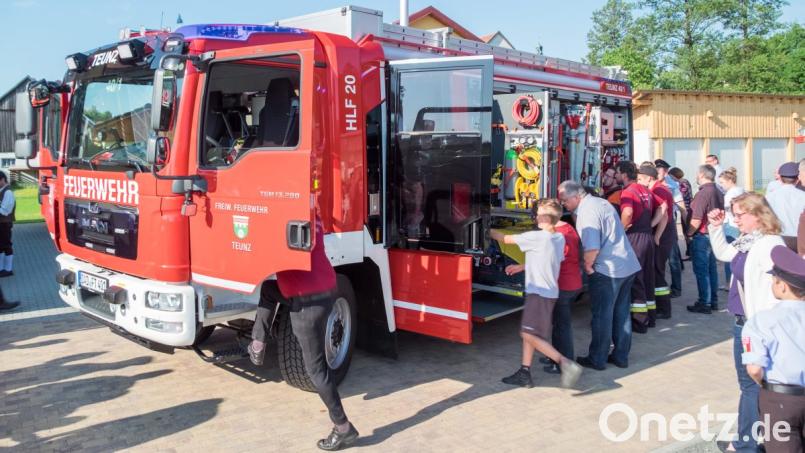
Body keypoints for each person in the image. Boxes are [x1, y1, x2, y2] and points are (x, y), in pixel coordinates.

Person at [248, 214, 359, 451]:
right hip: (327, 288)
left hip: (307, 301)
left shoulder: (280, 221)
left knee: (317, 370)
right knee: (269, 290)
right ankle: (258, 341)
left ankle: (343, 428)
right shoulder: (310, 214)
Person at [707, 193, 784, 453]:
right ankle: (749, 439)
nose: (735, 219)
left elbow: (781, 290)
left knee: (751, 387)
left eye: (739, 215)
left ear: (757, 215)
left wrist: (763, 327)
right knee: (750, 386)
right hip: (744, 324)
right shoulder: (749, 240)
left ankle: (745, 444)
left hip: (756, 326)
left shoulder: (771, 245)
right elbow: (724, 253)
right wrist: (716, 227)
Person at [491, 199, 583, 389]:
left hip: (538, 292)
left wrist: (484, 227)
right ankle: (525, 372)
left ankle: (566, 363)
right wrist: (522, 266)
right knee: (531, 332)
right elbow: (546, 259)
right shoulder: (558, 238)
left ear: (545, 218)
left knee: (528, 334)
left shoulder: (537, 237)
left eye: (538, 213)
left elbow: (505, 239)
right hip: (548, 291)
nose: (535, 216)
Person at [558, 180, 640, 370]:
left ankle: (598, 358)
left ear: (576, 196)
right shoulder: (601, 202)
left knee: (602, 315)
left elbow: (592, 248)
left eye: (564, 201)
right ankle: (620, 356)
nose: (563, 205)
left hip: (608, 270)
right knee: (621, 313)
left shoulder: (587, 212)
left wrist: (587, 267)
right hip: (626, 264)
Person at [741, 245, 805, 453]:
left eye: (773, 281)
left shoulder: (760, 322)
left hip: (781, 398)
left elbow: (754, 369)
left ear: (783, 286)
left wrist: (765, 385)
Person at [616, 161, 664, 333]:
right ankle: (650, 318)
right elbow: (663, 208)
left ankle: (639, 322)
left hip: (635, 237)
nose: (615, 176)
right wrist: (651, 225)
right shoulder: (646, 190)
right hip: (647, 237)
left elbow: (628, 213)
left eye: (617, 173)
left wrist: (619, 231)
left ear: (623, 174)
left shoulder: (628, 191)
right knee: (648, 278)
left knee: (636, 279)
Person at [538, 200, 583, 375]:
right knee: (558, 324)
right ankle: (553, 356)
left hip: (562, 286)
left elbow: (551, 260)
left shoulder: (558, 235)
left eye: (540, 215)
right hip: (571, 282)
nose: (538, 219)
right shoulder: (568, 228)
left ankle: (563, 363)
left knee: (561, 326)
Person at [637, 165, 675, 320]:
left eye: (640, 179)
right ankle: (661, 307)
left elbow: (663, 211)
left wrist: (654, 232)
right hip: (663, 233)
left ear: (649, 178)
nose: (638, 182)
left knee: (658, 271)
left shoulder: (657, 190)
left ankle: (664, 308)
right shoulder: (657, 188)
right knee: (657, 270)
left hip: (663, 234)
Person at [686, 165, 724, 314]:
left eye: (697, 173)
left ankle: (705, 302)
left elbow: (696, 219)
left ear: (701, 175)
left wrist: (689, 234)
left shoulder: (703, 194)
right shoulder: (717, 191)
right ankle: (712, 300)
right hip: (713, 234)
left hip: (702, 235)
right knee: (711, 269)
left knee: (702, 271)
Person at [765, 162, 805, 249]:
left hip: (778, 240)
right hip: (799, 240)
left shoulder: (769, 197)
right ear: (798, 178)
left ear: (780, 178)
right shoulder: (803, 196)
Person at [720, 168, 745, 290]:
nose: (721, 185)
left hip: (731, 226)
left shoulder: (731, 193)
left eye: (722, 183)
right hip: (736, 226)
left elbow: (729, 209)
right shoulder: (740, 190)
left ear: (730, 180)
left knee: (730, 255)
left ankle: (730, 282)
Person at [0, 172, 16, 277]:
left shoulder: (8, 192)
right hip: (1, 223)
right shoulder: (2, 191)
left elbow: (5, 211)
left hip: (4, 224)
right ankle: (1, 269)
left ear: (2, 179)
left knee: (6, 246)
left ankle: (8, 270)